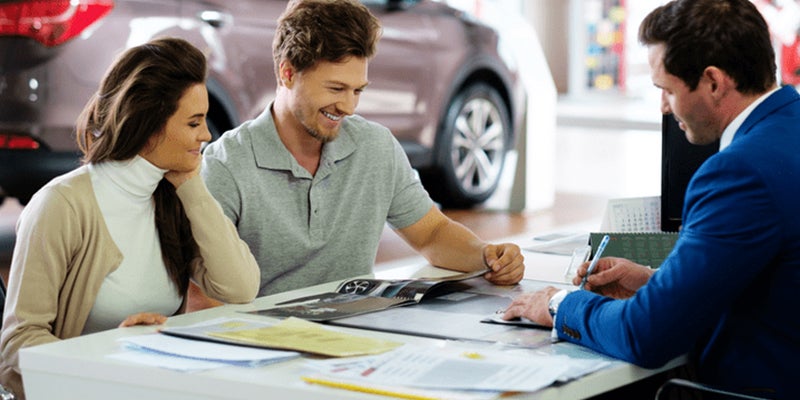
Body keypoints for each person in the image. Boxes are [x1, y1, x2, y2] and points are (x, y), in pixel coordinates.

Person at [503, 0, 799, 397]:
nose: (662, 106)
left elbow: (647, 335)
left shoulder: (738, 173)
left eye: (666, 89)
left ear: (713, 82)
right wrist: (657, 284)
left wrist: (561, 305)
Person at [201, 0, 524, 299]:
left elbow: (432, 233)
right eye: (336, 88)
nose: (348, 106)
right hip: (262, 343)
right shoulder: (226, 165)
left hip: (356, 337)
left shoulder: (375, 147)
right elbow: (204, 293)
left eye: (357, 90)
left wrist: (486, 256)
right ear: (287, 73)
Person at [0, 37, 260, 398]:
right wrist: (108, 356)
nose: (205, 134)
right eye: (193, 122)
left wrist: (192, 186)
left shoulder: (176, 196)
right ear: (149, 125)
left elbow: (240, 287)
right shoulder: (62, 204)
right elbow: (16, 343)